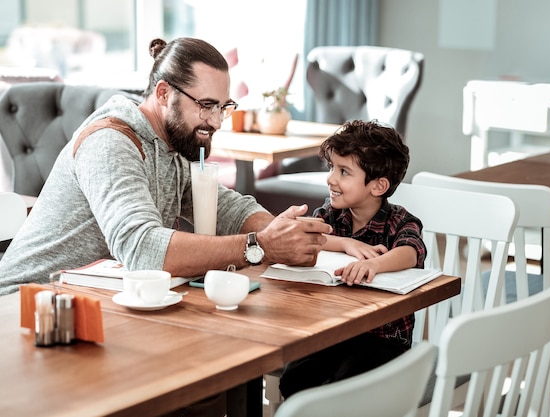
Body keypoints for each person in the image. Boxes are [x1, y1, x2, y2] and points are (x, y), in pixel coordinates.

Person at [0, 37, 331, 296]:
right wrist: (259, 246)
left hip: (95, 303)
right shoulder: (111, 143)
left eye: (222, 107)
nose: (215, 121)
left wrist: (285, 233)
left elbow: (228, 207)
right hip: (26, 307)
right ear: (163, 93)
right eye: (205, 106)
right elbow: (143, 248)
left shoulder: (170, 145)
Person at [279, 119, 427, 398]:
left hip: (383, 341)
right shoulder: (331, 215)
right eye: (332, 167)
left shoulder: (399, 221)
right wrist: (346, 243)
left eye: (344, 171)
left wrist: (373, 264)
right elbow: (310, 235)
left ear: (378, 186)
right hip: (332, 331)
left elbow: (410, 251)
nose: (331, 179)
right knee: (295, 379)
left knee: (346, 385)